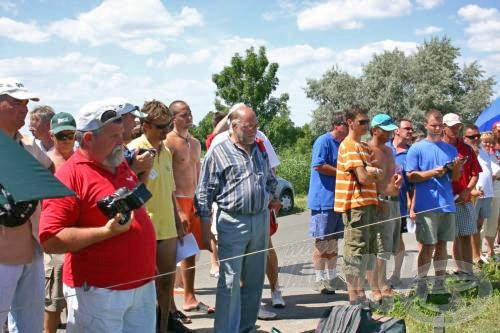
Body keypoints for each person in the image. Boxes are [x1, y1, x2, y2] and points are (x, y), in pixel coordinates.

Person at [39, 102, 157, 332]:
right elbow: (50, 238)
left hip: (141, 285)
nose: (121, 142)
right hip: (99, 292)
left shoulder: (118, 162)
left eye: (121, 134)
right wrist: (106, 232)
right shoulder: (70, 175)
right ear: (87, 140)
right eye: (113, 136)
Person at [195, 103, 278, 332]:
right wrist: (204, 230)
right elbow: (203, 193)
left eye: (256, 125)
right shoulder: (218, 152)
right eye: (249, 126)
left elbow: (270, 178)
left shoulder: (259, 149)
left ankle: (247, 327)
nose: (254, 130)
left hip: (260, 219)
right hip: (232, 221)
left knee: (253, 279)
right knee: (230, 282)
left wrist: (272, 197)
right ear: (233, 125)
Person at [127, 100, 188, 332]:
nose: (166, 131)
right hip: (143, 228)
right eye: (161, 126)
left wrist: (178, 216)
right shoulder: (134, 150)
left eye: (168, 125)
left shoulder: (167, 150)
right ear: (145, 125)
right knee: (144, 287)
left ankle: (163, 327)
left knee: (166, 284)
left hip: (167, 228)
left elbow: (170, 190)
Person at [0, 78, 53, 332]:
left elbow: (51, 171)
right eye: (15, 102)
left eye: (25, 103)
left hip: (31, 246)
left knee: (31, 321)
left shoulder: (29, 145)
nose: (23, 108)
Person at [165, 100, 215, 317]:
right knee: (171, 255)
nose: (189, 117)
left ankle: (189, 297)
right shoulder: (168, 142)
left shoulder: (195, 143)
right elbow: (166, 176)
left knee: (191, 252)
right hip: (177, 201)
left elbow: (199, 173)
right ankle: (169, 306)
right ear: (173, 118)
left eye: (190, 113)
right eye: (184, 114)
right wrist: (177, 208)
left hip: (195, 200)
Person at [406, 109, 463, 297]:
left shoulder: (451, 149)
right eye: (434, 125)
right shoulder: (417, 148)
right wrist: (432, 173)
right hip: (427, 204)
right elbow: (411, 176)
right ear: (426, 125)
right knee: (427, 245)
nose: (437, 128)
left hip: (447, 203)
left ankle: (439, 284)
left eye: (440, 126)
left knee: (442, 245)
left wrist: (455, 168)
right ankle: (421, 284)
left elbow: (455, 178)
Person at [334, 105, 383, 305]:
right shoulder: (349, 145)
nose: (365, 125)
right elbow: (363, 177)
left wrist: (374, 173)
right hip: (355, 206)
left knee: (369, 252)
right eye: (362, 122)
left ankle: (361, 293)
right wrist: (374, 173)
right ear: (350, 122)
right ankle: (354, 296)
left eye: (367, 122)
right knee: (355, 251)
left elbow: (374, 174)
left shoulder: (363, 147)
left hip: (368, 203)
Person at [307, 115, 348, 295]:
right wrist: (341, 172)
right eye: (346, 125)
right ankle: (319, 279)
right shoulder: (323, 141)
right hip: (323, 200)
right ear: (336, 125)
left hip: (338, 200)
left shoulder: (343, 144)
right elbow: (318, 165)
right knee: (322, 241)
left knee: (333, 241)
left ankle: (332, 277)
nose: (348, 128)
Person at [44, 112, 77, 333]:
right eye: (61, 135)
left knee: (77, 300)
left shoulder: (81, 159)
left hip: (79, 236)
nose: (66, 140)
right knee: (53, 302)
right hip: (56, 237)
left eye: (70, 135)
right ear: (52, 136)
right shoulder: (46, 162)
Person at [366, 114, 402, 302]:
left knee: (387, 247)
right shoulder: (367, 149)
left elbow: (391, 172)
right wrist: (376, 200)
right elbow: (364, 178)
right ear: (375, 130)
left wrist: (398, 178)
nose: (390, 132)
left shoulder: (389, 150)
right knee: (377, 247)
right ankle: (376, 287)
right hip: (378, 203)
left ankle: (383, 282)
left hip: (393, 202)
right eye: (386, 129)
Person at [442, 113, 481, 275]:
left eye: (457, 126)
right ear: (443, 127)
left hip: (463, 199)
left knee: (464, 236)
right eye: (452, 127)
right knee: (442, 240)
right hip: (444, 200)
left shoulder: (466, 148)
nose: (455, 129)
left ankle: (467, 271)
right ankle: (445, 274)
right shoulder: (438, 147)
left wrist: (467, 191)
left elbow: (475, 173)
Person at [386, 118, 414, 287]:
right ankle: (378, 276)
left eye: (411, 129)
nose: (410, 131)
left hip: (400, 203)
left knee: (398, 240)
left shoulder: (411, 152)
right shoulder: (384, 147)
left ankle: (396, 274)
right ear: (397, 130)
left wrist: (413, 204)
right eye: (407, 129)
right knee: (380, 239)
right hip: (380, 201)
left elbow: (413, 183)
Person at [464, 125, 495, 263]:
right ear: (465, 138)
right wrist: (471, 190)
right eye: (472, 137)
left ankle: (477, 254)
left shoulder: (483, 150)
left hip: (486, 194)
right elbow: (465, 175)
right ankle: (474, 256)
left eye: (478, 136)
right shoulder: (465, 151)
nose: (476, 139)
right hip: (473, 194)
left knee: (478, 226)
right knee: (471, 227)